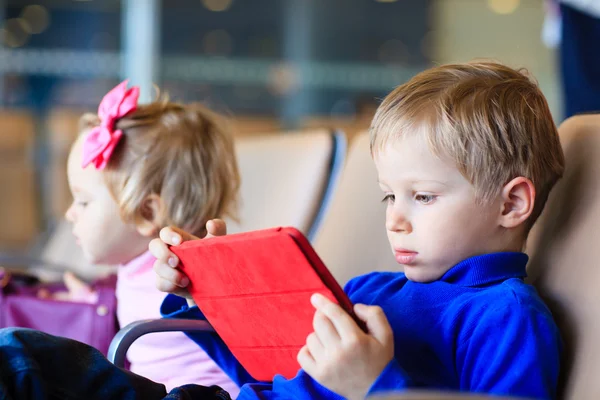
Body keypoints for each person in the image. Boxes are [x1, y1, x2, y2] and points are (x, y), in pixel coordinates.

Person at [0, 61, 564, 400]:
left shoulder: (505, 316)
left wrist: (372, 385)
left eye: (422, 196)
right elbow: (263, 372)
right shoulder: (370, 291)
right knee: (22, 355)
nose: (394, 216)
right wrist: (209, 298)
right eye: (390, 194)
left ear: (512, 203)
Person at [54, 81, 240, 395]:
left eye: (83, 201)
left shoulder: (181, 274)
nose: (70, 213)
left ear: (147, 213)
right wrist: (93, 301)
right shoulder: (136, 266)